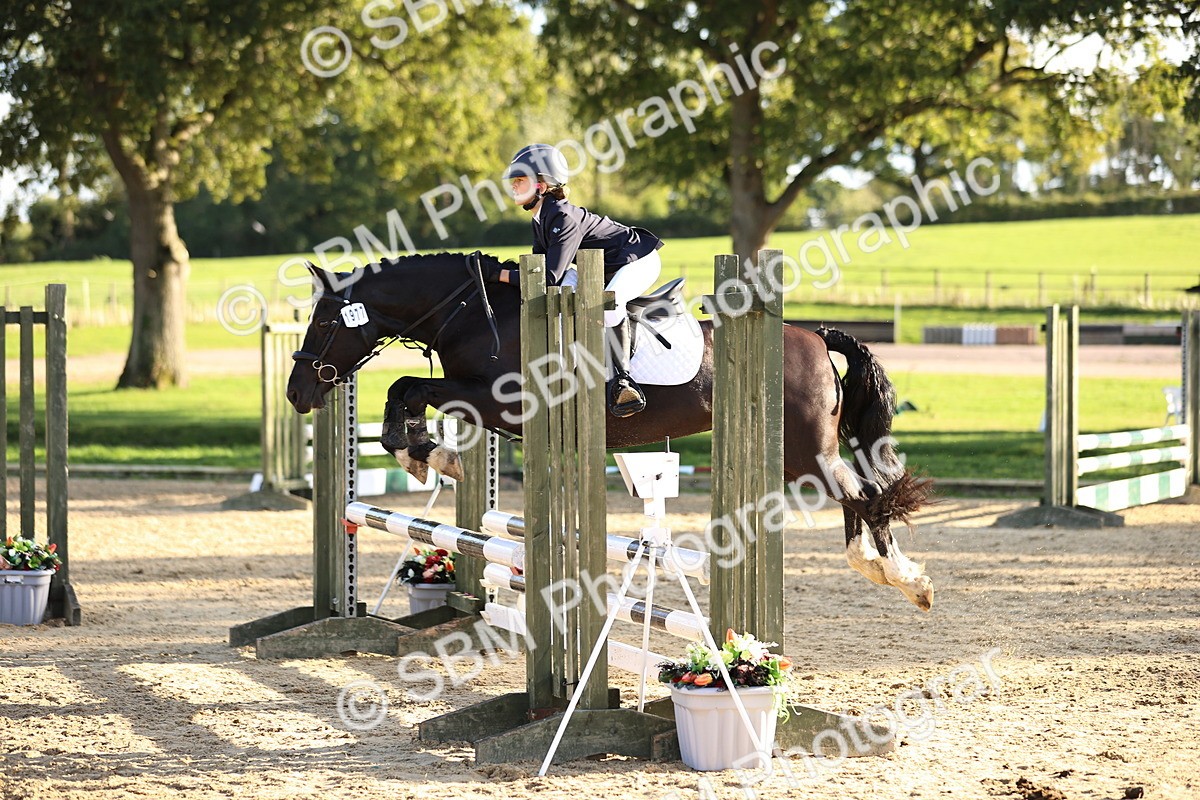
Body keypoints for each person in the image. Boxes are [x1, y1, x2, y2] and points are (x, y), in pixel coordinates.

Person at [485, 143, 664, 418]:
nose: (514, 186)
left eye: (520, 180)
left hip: (637, 261)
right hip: (600, 269)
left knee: (608, 307)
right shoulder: (541, 218)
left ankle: (623, 382)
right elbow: (541, 275)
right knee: (564, 293)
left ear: (541, 186)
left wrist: (497, 275)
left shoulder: (563, 218)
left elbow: (547, 276)